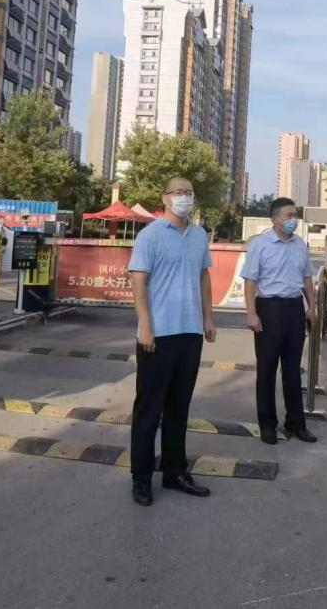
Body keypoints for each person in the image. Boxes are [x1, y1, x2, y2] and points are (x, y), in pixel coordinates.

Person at [127, 176, 218, 507]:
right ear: (164, 198)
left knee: (179, 408)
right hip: (158, 334)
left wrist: (208, 317)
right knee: (149, 409)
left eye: (188, 193)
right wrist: (145, 326)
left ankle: (175, 472)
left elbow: (204, 276)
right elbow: (139, 281)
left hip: (190, 332)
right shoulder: (150, 235)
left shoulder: (198, 235)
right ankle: (141, 478)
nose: (183, 198)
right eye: (177, 192)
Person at [242, 197, 319, 445]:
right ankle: (267, 424)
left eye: (295, 215)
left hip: (294, 308)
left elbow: (307, 278)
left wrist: (312, 307)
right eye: (288, 216)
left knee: (292, 369)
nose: (293, 220)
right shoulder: (260, 245)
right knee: (266, 369)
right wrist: (251, 313)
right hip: (269, 308)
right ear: (274, 219)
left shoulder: (300, 244)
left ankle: (296, 423)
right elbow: (250, 281)